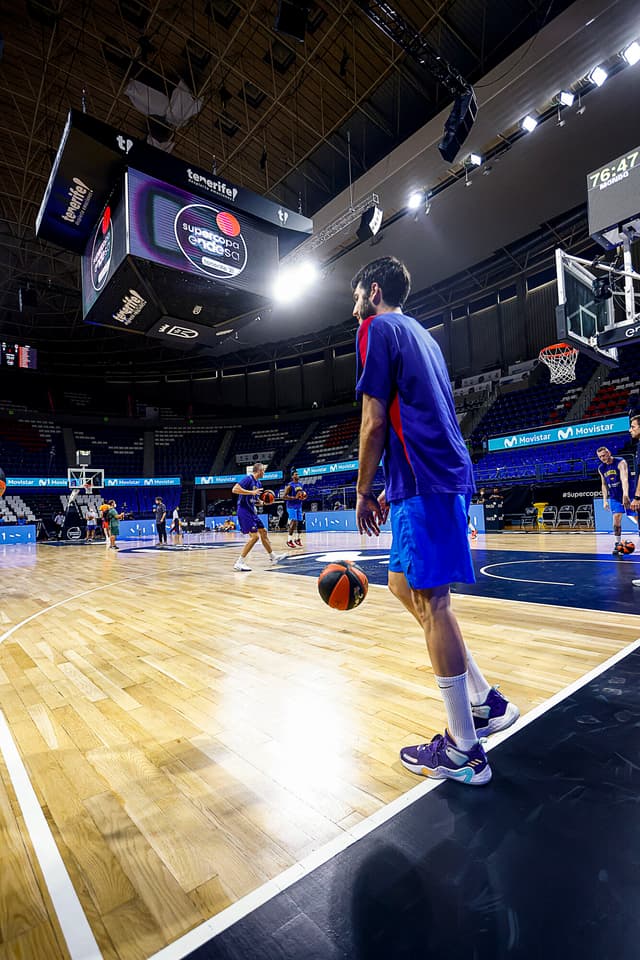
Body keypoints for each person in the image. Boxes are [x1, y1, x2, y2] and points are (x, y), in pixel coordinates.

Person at [352, 256, 518, 787]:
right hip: (422, 476)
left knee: (433, 600)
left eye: (356, 293)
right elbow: (416, 413)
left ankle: (465, 750)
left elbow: (374, 419)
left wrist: (360, 489)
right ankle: (483, 700)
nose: (352, 303)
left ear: (373, 291)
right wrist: (387, 484)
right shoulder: (421, 333)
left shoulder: (376, 327)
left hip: (428, 478)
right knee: (402, 584)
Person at [231, 463, 285, 571]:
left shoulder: (259, 483)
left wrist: (262, 502)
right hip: (244, 510)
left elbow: (254, 499)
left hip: (251, 511)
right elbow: (235, 489)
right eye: (263, 470)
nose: (264, 472)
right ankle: (239, 562)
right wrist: (251, 492)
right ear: (259, 471)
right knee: (254, 537)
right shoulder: (248, 479)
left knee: (263, 532)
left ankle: (272, 557)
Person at [596, 445, 631, 554]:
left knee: (636, 518)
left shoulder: (620, 462)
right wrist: (605, 500)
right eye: (600, 457)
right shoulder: (601, 468)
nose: (603, 458)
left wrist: (625, 495)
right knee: (616, 521)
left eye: (604, 455)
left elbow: (624, 479)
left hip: (629, 493)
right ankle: (617, 544)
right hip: (615, 496)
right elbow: (604, 484)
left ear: (609, 453)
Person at [283, 468, 305, 548]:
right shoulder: (290, 485)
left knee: (300, 523)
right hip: (291, 506)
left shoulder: (301, 485)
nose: (297, 475)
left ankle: (298, 539)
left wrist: (303, 497)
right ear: (292, 476)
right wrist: (294, 498)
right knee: (294, 522)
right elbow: (284, 497)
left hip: (299, 506)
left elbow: (301, 494)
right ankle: (289, 540)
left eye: (298, 474)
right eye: (296, 474)